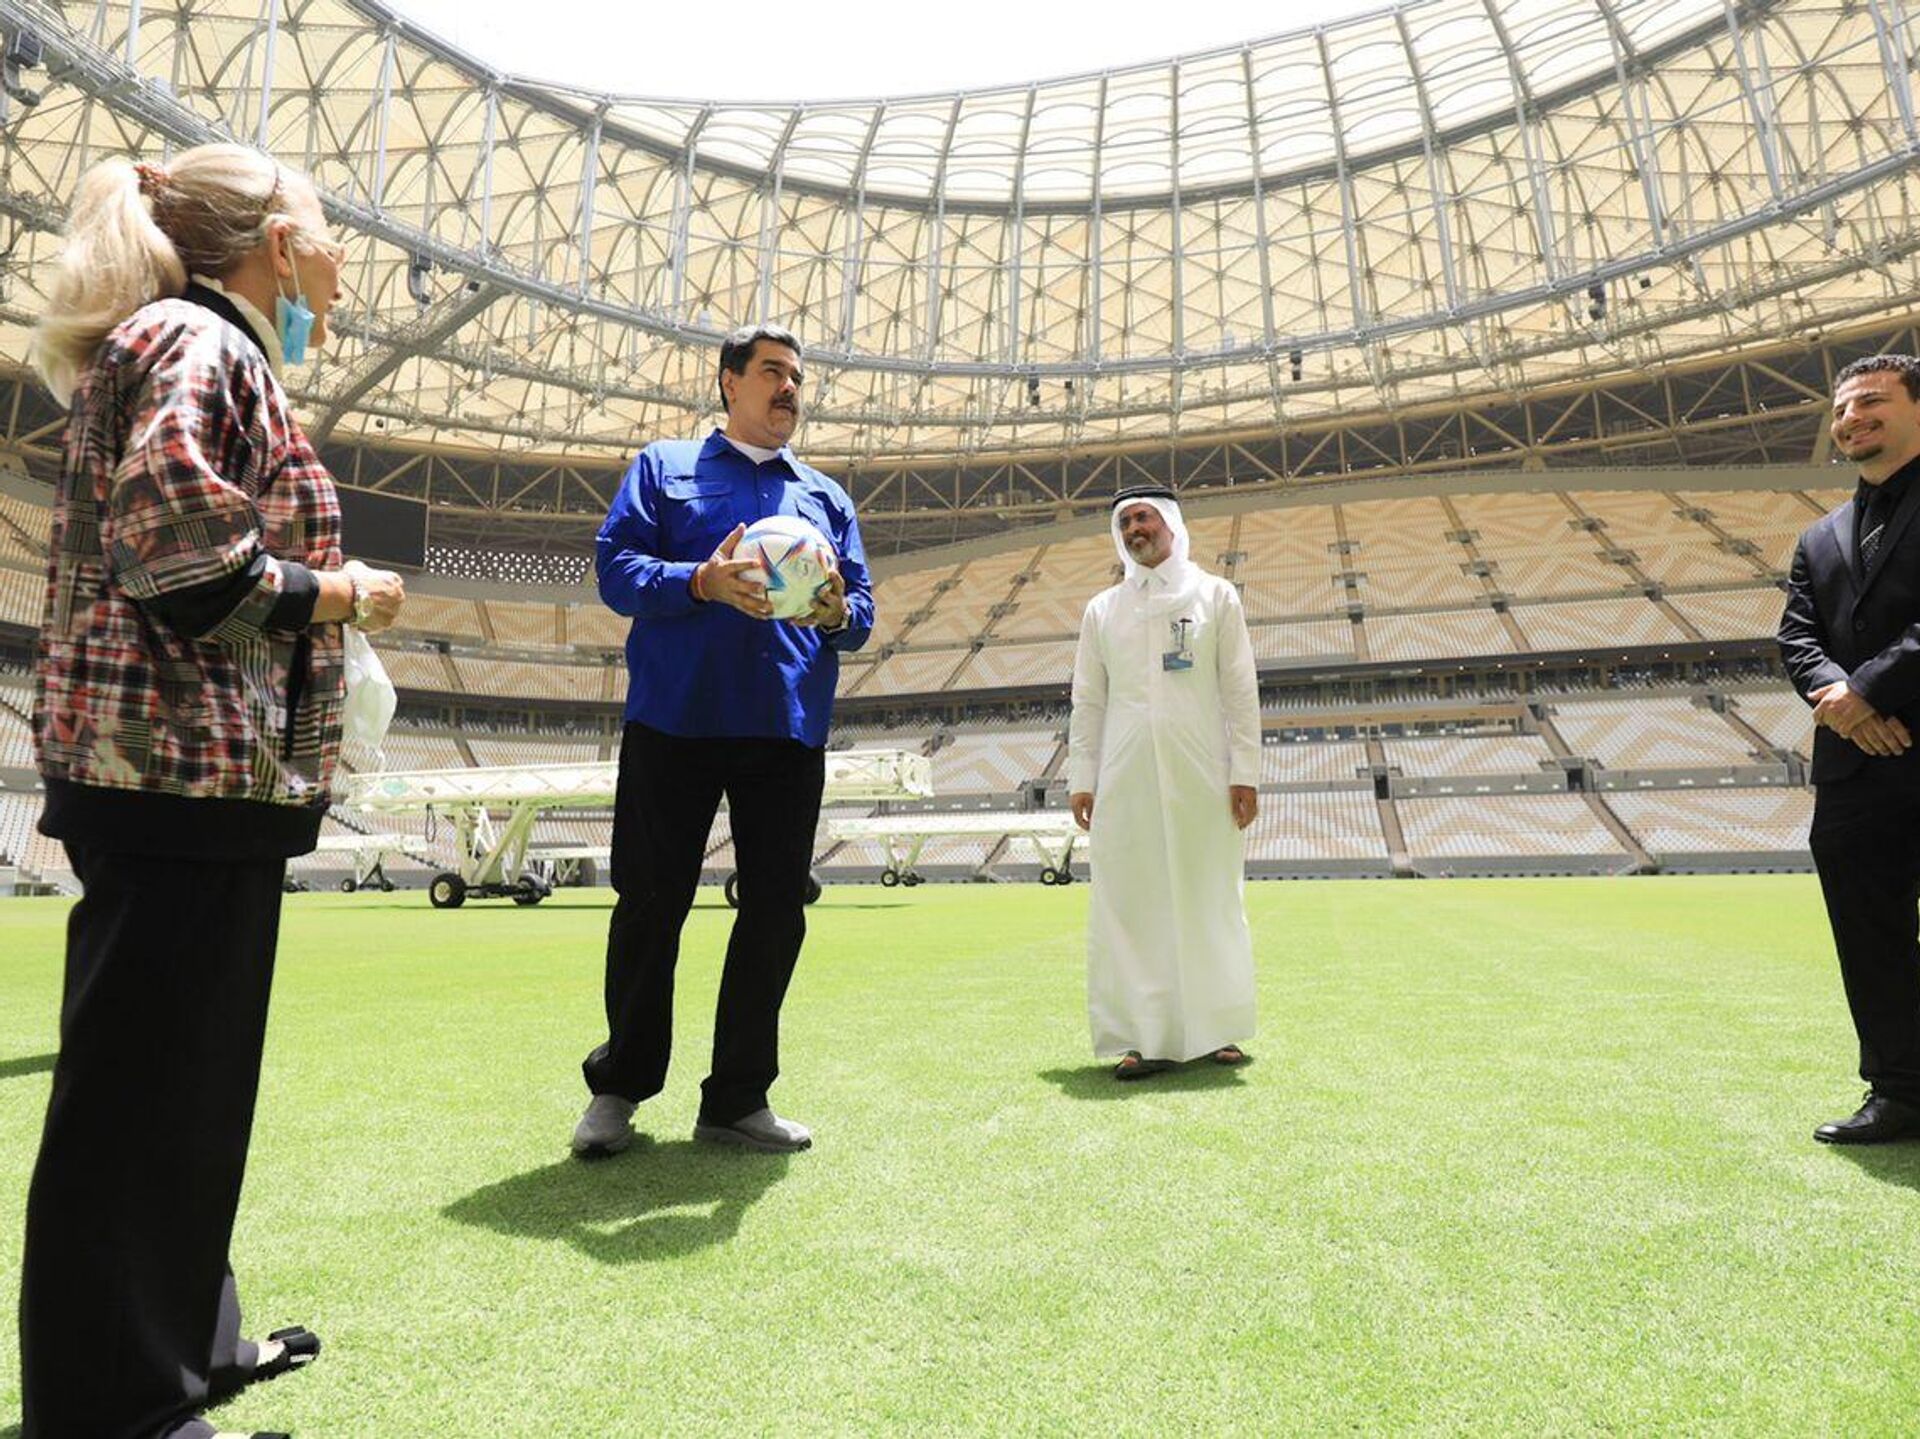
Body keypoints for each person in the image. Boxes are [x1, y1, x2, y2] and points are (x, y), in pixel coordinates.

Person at [20, 144, 405, 1438]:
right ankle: (120, 1401)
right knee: (145, 1101)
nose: (342, 259)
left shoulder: (192, 340)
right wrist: (341, 592)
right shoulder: (202, 340)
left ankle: (185, 1341)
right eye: (325, 224)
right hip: (173, 774)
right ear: (273, 244)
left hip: (183, 777)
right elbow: (186, 558)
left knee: (180, 1088)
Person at [573, 322, 872, 1157]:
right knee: (650, 906)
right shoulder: (663, 469)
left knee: (775, 912)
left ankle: (737, 1100)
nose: (790, 389)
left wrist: (837, 611)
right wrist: (698, 579)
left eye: (799, 378)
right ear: (729, 381)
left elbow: (863, 614)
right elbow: (616, 571)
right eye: (774, 372)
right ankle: (620, 1088)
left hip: (786, 725)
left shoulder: (826, 498)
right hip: (677, 718)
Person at [1067, 487, 1261, 1079]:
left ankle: (1217, 1030)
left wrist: (1245, 773)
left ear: (1171, 523)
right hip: (1124, 778)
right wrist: (1083, 778)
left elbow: (1239, 688)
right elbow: (1087, 701)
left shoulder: (1214, 596)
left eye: (1143, 517)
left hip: (1202, 773)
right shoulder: (1103, 609)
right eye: (1124, 522)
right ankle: (1141, 1037)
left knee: (1208, 897)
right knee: (1134, 904)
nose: (1134, 529)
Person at [1779, 353, 1920, 1145]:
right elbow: (1796, 635)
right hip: (1854, 766)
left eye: (1871, 401)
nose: (1851, 418)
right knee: (1870, 938)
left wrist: (1869, 687)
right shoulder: (1818, 536)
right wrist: (1842, 699)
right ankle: (1899, 1092)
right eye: (1841, 409)